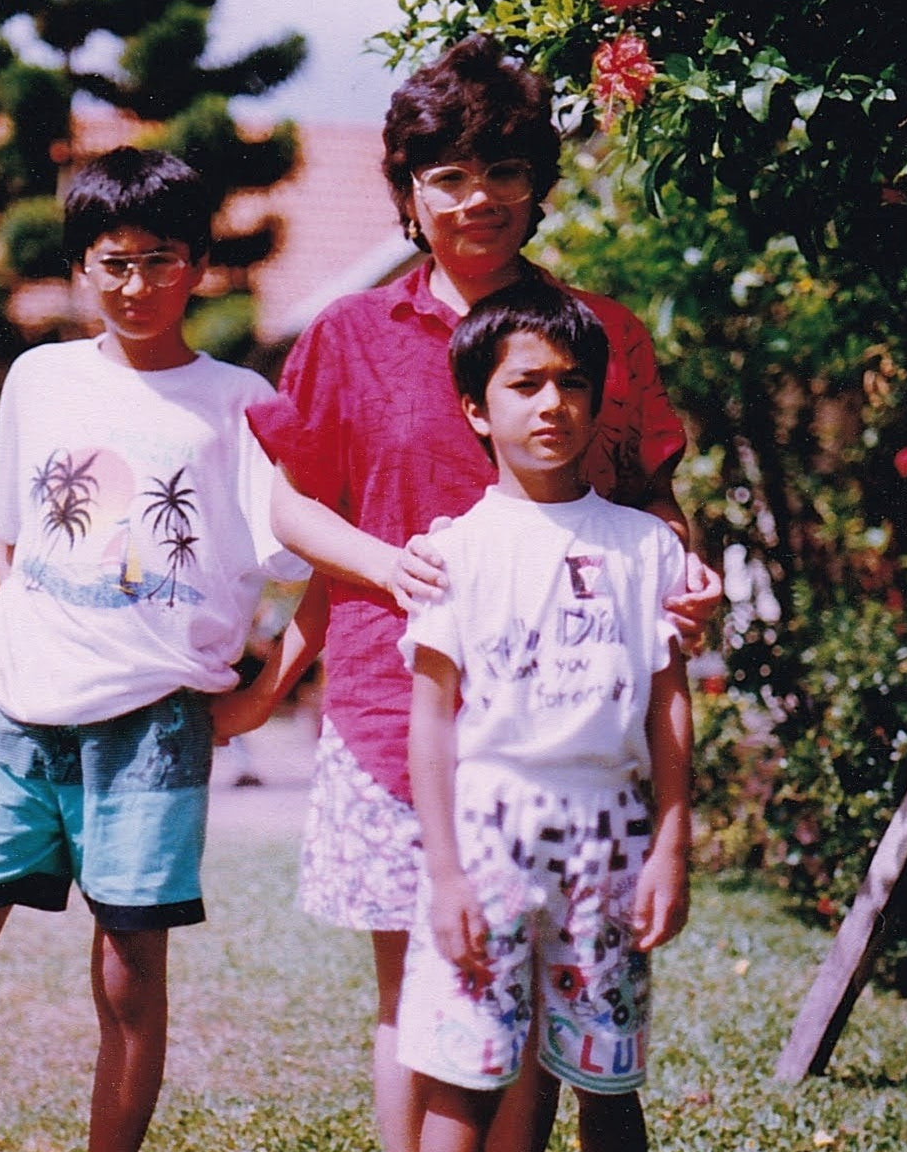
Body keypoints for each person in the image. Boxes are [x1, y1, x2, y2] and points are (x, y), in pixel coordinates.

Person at [246, 34, 720, 1152]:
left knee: (534, 1004)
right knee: (417, 996)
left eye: (504, 170)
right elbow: (290, 506)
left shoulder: (594, 335)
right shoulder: (350, 332)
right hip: (389, 708)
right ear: (410, 190)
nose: (479, 198)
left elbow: (646, 499)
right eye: (449, 174)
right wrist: (384, 563)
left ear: (537, 185)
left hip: (561, 726)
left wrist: (685, 569)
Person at [0, 146, 309, 1152]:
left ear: (200, 263)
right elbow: (0, 520)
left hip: (153, 734)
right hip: (17, 725)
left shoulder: (239, 402)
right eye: (114, 261)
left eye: (162, 259)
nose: (137, 285)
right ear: (79, 266)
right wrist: (32, 624)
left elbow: (311, 565)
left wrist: (266, 696)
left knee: (128, 984)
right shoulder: (39, 376)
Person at [397, 281, 692, 1152]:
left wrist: (672, 843)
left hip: (612, 841)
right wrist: (446, 874)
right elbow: (432, 723)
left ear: (599, 401)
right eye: (523, 384)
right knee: (467, 1076)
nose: (551, 404)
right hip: (490, 838)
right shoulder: (452, 551)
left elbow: (670, 709)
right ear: (476, 409)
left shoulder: (648, 548)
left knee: (608, 1074)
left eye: (570, 382)